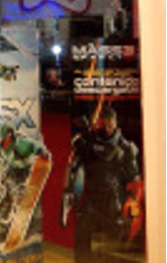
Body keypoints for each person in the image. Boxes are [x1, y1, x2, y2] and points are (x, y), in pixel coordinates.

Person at [63, 106, 142, 262]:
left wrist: (133, 201)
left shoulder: (125, 148)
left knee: (112, 244)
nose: (107, 128)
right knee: (82, 238)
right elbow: (74, 162)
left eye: (110, 125)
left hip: (111, 200)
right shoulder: (90, 141)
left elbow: (135, 179)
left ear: (115, 123)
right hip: (90, 198)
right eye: (104, 124)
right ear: (101, 122)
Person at [0, 123, 49, 224]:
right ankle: (4, 211)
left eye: (10, 134)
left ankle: (19, 197)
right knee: (8, 185)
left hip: (23, 171)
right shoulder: (1, 148)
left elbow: (30, 145)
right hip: (11, 172)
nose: (9, 137)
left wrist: (40, 151)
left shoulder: (18, 144)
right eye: (7, 135)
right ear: (3, 136)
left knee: (12, 184)